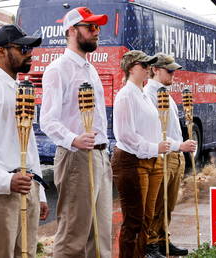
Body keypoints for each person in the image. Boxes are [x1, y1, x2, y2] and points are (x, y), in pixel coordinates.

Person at [40, 6, 111, 258]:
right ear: (71, 31)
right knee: (73, 236)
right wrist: (74, 139)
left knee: (100, 237)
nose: (96, 32)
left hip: (100, 156)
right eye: (90, 27)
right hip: (77, 157)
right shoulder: (58, 69)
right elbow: (47, 119)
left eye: (98, 27)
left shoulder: (89, 69)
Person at [0, 24, 49, 258]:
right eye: (23, 48)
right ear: (2, 51)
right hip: (1, 193)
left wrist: (40, 190)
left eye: (31, 48)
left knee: (27, 254)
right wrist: (5, 181)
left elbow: (29, 144)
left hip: (28, 186)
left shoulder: (20, 88)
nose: (30, 53)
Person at [112, 50, 172, 258]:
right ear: (130, 68)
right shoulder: (125, 95)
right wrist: (154, 148)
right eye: (143, 65)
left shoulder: (144, 95)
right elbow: (125, 134)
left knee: (146, 218)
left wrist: (166, 147)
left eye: (149, 66)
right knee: (134, 221)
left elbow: (152, 130)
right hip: (131, 161)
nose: (147, 69)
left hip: (151, 160)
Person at [144, 53, 197, 256]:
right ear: (155, 70)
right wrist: (178, 146)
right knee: (157, 201)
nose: (173, 74)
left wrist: (181, 148)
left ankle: (163, 238)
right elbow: (155, 129)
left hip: (175, 155)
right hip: (164, 155)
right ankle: (151, 244)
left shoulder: (165, 92)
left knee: (169, 203)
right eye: (169, 70)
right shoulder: (149, 93)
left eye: (174, 70)